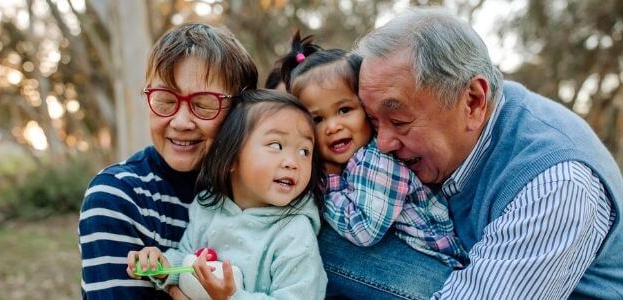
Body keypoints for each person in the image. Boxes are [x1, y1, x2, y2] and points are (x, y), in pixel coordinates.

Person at [319, 6, 623, 299]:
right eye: (373, 121)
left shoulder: (557, 183)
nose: (383, 143)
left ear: (473, 102)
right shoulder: (455, 136)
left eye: (399, 121)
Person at [78, 23, 258, 299]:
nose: (181, 121)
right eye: (164, 101)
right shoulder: (118, 197)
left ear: (239, 111)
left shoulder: (257, 192)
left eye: (204, 104)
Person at [280, 32, 467, 268]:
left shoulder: (378, 160)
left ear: (368, 109)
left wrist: (326, 184)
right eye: (317, 120)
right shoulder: (353, 162)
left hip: (435, 266)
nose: (333, 126)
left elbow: (363, 232)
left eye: (344, 110)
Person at [126, 89, 328, 299]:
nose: (292, 163)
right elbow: (188, 258)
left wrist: (231, 297)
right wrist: (163, 266)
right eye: (276, 145)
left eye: (304, 151)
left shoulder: (294, 233)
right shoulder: (208, 207)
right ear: (231, 158)